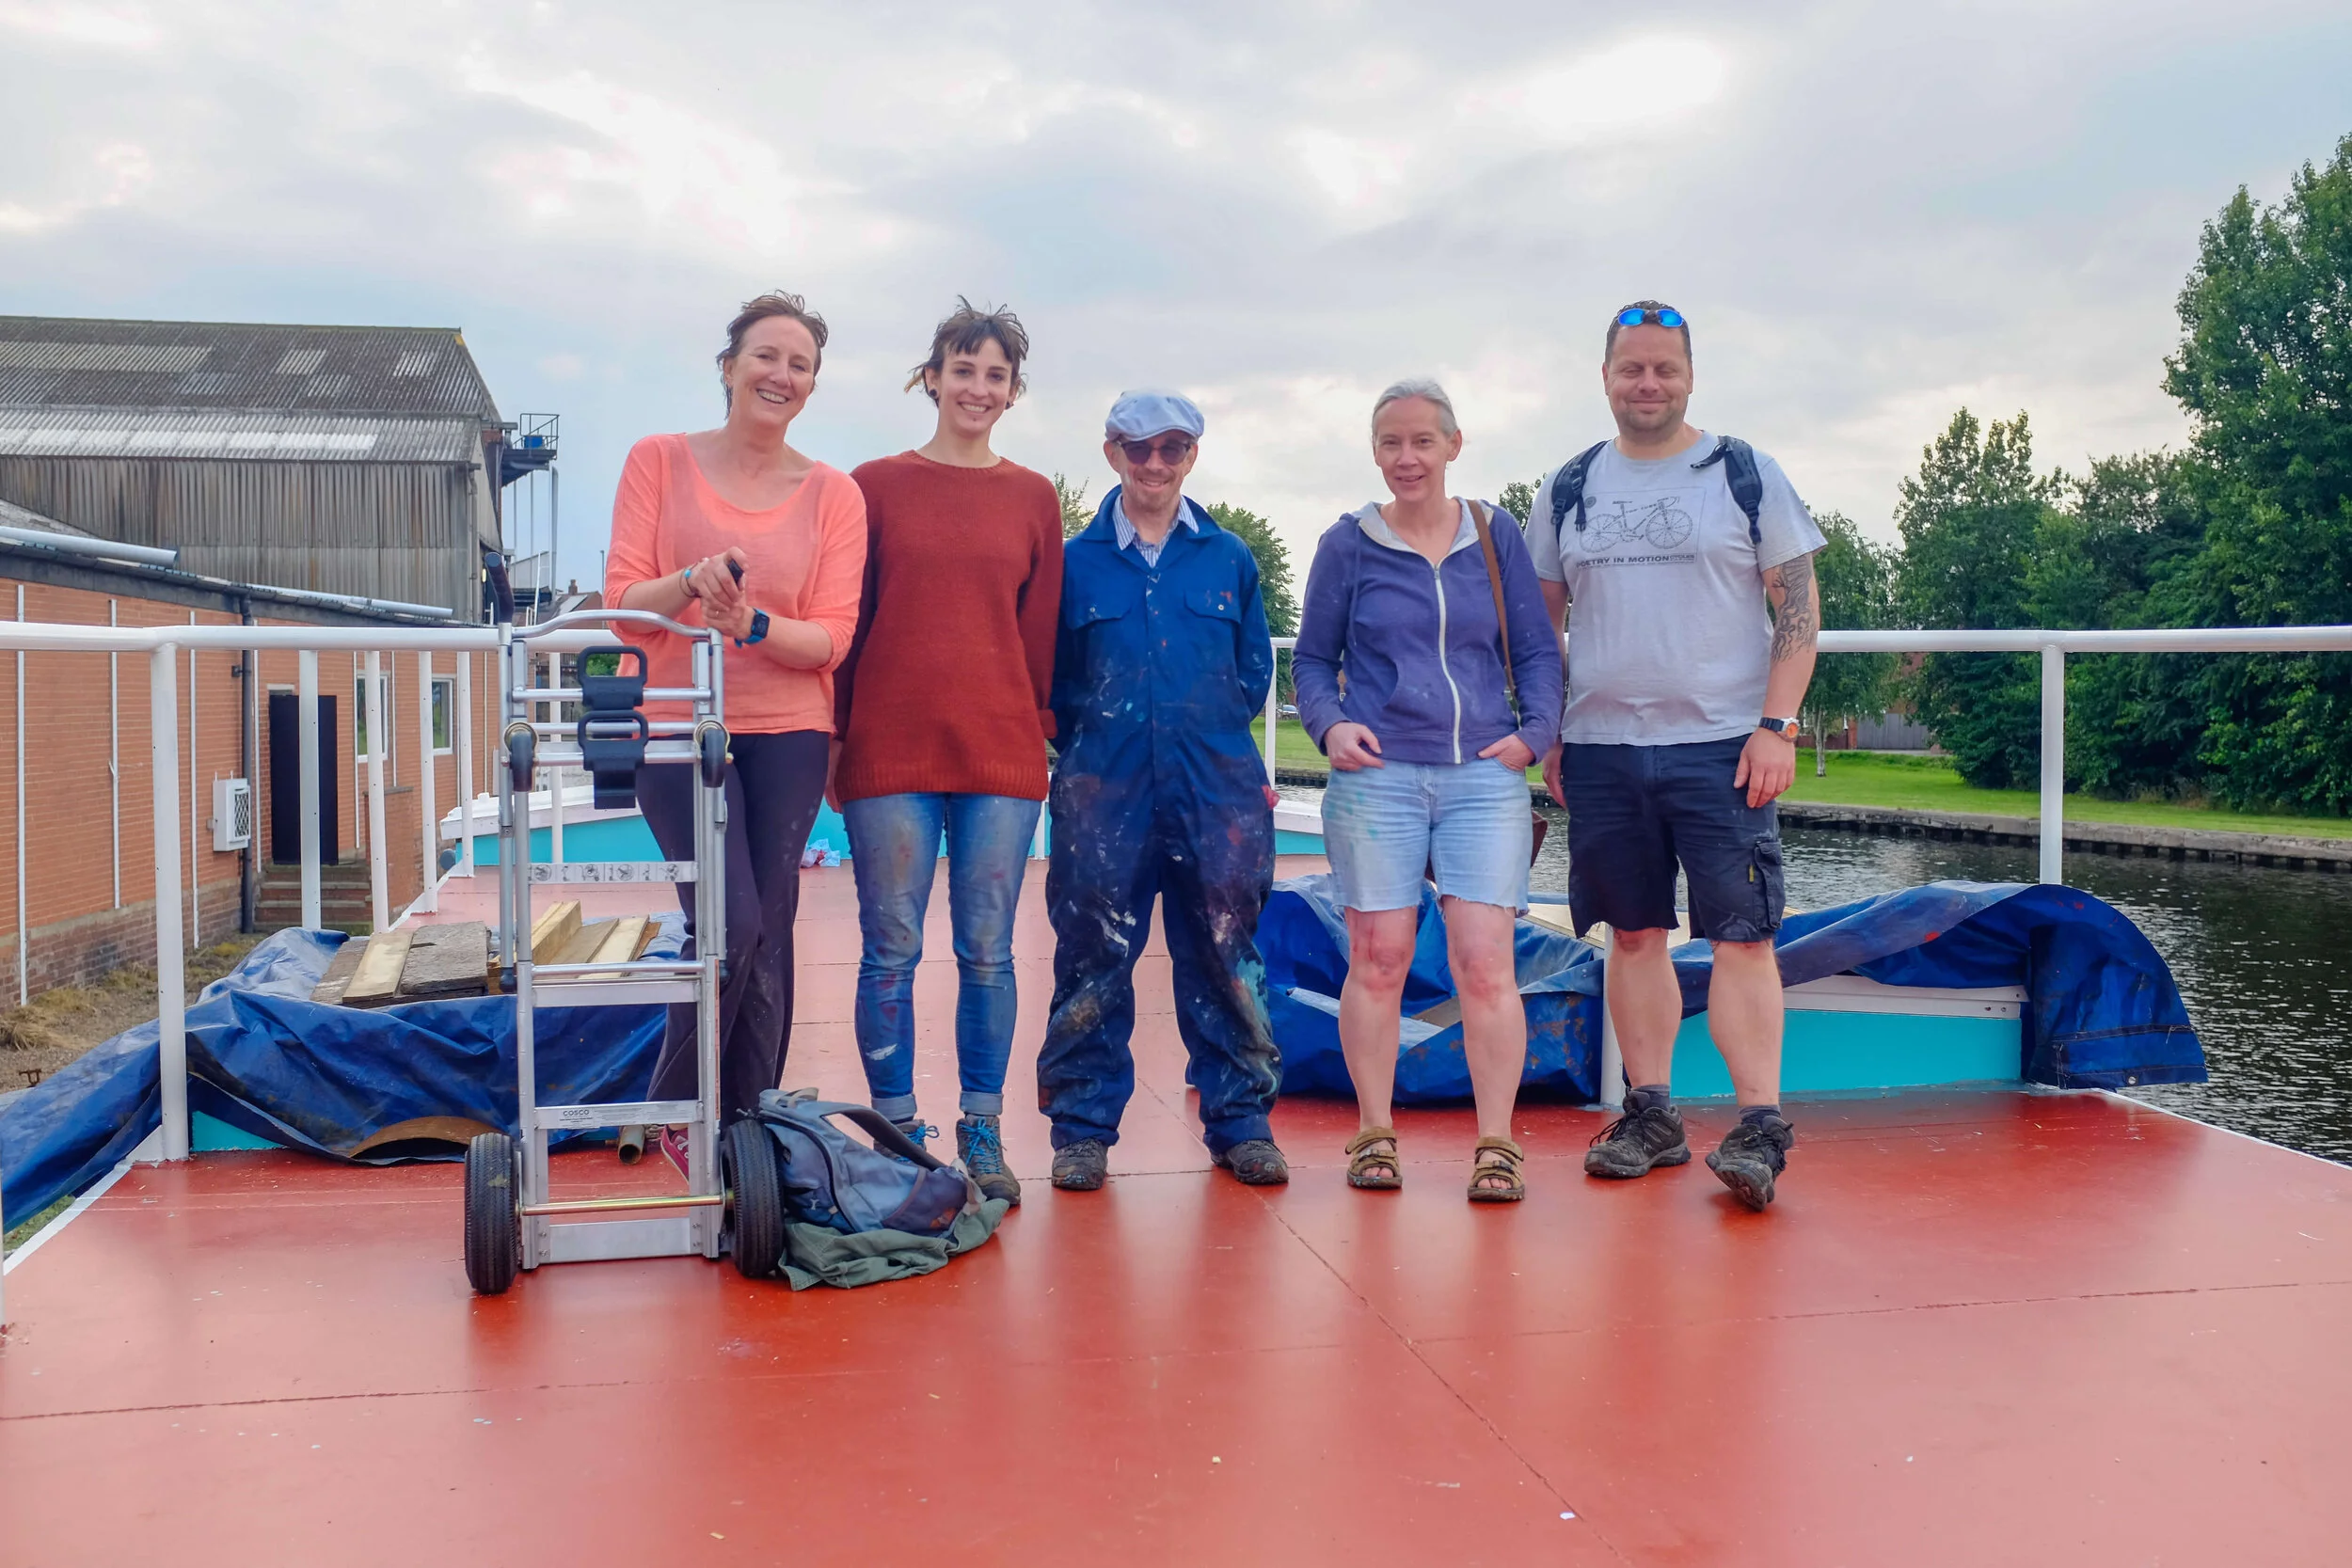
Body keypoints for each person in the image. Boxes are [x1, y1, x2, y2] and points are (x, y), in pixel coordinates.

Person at [1526, 301, 1823, 1212]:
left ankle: (1760, 1126)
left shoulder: (1741, 473)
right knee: (1633, 933)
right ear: (1605, 377)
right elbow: (1540, 626)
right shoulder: (1568, 485)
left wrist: (1777, 726)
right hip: (1605, 747)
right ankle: (1650, 1113)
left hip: (1723, 747)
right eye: (1631, 368)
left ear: (1690, 375)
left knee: (1743, 935)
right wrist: (1552, 729)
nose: (1647, 383)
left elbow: (1799, 607)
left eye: (1664, 368)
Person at [604, 292, 867, 1173]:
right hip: (678, 726)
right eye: (765, 355)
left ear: (812, 384)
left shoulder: (835, 494)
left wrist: (750, 622)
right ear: (728, 367)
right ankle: (678, 1108)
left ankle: (750, 1131)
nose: (781, 375)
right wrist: (692, 580)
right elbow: (624, 608)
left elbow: (830, 638)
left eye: (800, 364)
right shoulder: (658, 459)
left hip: (788, 728)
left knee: (773, 925)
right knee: (731, 918)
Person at [1293, 379, 1563, 1201]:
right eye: (1391, 442)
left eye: (1421, 441)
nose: (1406, 457)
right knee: (1379, 958)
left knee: (1485, 962)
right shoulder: (1348, 544)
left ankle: (1497, 1143)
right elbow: (1312, 660)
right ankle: (1374, 1132)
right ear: (1375, 450)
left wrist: (1536, 732)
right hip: (1379, 779)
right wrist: (1330, 726)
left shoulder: (1495, 534)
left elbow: (1537, 649)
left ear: (1453, 444)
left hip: (1482, 777)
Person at [832, 300, 1062, 1205]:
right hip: (890, 749)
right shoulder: (872, 486)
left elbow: (1039, 637)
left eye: (995, 374)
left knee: (989, 951)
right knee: (889, 947)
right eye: (963, 369)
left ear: (1012, 391)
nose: (978, 387)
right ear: (932, 378)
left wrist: (1037, 729)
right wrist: (837, 737)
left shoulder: (1034, 497)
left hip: (1000, 757)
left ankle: (983, 1129)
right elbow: (850, 622)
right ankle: (896, 1133)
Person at [1037, 390, 1286, 1192]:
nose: (1154, 463)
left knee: (1225, 954)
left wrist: (1204, 746)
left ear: (1191, 456)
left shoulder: (1229, 559)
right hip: (1101, 795)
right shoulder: (1072, 564)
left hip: (1216, 794)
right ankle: (1082, 1131)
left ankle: (1242, 1122)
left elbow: (1251, 674)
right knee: (1091, 957)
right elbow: (1053, 683)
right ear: (1111, 451)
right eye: (1138, 447)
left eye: (1171, 448)